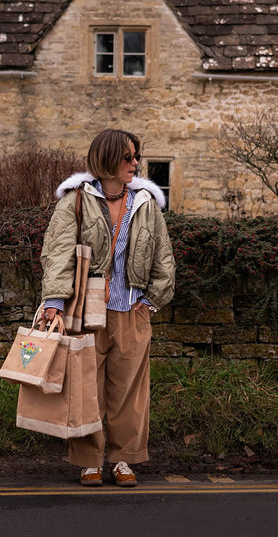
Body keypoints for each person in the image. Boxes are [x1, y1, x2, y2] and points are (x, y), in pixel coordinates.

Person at [40, 128, 176, 487]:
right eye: (128, 157)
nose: (135, 163)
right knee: (86, 389)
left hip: (131, 309)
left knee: (129, 392)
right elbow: (57, 253)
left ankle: (123, 460)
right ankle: (88, 461)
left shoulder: (146, 203)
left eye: (137, 157)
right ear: (107, 159)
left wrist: (150, 301)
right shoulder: (75, 200)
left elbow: (163, 257)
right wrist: (54, 301)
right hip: (85, 310)